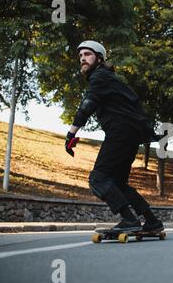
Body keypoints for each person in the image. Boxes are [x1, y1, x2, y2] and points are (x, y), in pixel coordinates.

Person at [65, 40, 163, 232]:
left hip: (121, 132)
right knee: (118, 183)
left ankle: (129, 220)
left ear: (99, 58)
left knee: (98, 179)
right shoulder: (107, 78)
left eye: (87, 54)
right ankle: (152, 221)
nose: (83, 59)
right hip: (131, 133)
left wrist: (71, 133)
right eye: (81, 56)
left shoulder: (99, 77)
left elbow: (87, 105)